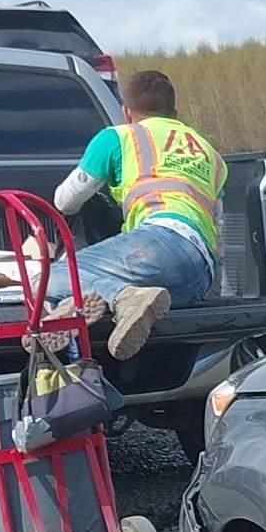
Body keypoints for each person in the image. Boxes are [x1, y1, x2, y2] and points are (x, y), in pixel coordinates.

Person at [51, 68, 226, 358]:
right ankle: (76, 305)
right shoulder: (209, 152)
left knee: (48, 278)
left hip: (159, 244)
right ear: (175, 112)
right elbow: (217, 223)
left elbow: (65, 202)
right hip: (198, 274)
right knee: (79, 288)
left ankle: (123, 297)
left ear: (126, 112)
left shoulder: (119, 137)